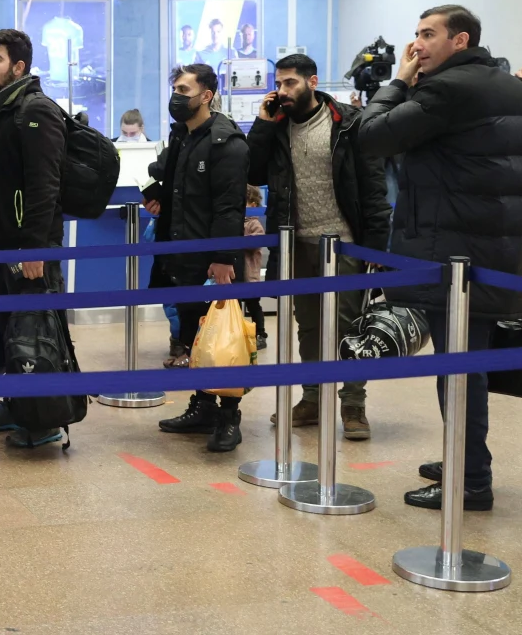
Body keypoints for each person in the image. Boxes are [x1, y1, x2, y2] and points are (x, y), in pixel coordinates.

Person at [360, 5, 522, 511]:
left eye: (427, 34)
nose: (416, 44)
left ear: (460, 40)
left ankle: (471, 479)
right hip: (494, 249)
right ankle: (464, 456)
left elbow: (371, 137)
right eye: (415, 34)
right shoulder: (513, 88)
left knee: (459, 370)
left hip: (454, 254)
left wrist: (397, 82)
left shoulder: (448, 90)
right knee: (465, 365)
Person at [248, 53, 391, 441]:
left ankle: (353, 404)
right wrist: (262, 121)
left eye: (290, 83)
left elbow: (374, 192)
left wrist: (375, 251)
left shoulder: (349, 123)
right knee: (308, 325)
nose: (282, 91)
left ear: (312, 82)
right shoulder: (277, 127)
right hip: (297, 241)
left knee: (348, 327)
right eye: (278, 84)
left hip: (344, 242)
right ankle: (312, 398)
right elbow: (252, 170)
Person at [0, 28, 72, 448]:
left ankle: (43, 421)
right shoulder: (1, 111)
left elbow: (44, 185)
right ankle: (15, 404)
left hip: (27, 247)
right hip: (2, 242)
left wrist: (34, 249)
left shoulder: (35, 110)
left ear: (19, 66)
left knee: (37, 334)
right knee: (11, 330)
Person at [147, 63, 250, 453]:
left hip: (214, 258)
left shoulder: (227, 142)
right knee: (193, 334)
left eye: (184, 89)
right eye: (175, 87)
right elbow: (172, 180)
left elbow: (229, 207)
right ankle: (202, 405)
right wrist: (154, 189)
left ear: (206, 95)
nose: (177, 96)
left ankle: (229, 415)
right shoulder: (181, 136)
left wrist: (223, 257)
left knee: (224, 338)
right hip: (181, 252)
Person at [243, 185, 267, 351]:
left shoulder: (254, 223)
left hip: (250, 275)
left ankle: (260, 333)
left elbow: (258, 240)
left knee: (253, 306)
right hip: (238, 275)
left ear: (252, 205)